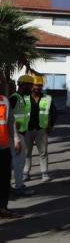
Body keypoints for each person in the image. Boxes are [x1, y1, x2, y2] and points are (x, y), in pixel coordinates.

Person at [16, 75, 57, 183]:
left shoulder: (47, 98)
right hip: (27, 129)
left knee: (43, 152)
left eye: (40, 85)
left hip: (41, 129)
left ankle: (44, 174)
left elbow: (53, 113)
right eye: (36, 85)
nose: (38, 87)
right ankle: (26, 173)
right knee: (26, 152)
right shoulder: (24, 98)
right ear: (31, 86)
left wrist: (51, 125)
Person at [1, 78, 22, 219]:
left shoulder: (4, 100)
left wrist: (15, 138)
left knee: (4, 179)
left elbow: (10, 122)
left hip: (3, 148)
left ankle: (2, 208)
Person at [9, 74, 33, 196]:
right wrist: (15, 137)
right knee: (18, 162)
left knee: (19, 161)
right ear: (24, 85)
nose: (32, 88)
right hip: (15, 135)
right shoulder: (14, 98)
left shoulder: (22, 97)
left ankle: (16, 186)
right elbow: (9, 117)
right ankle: (18, 187)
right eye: (30, 85)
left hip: (20, 134)